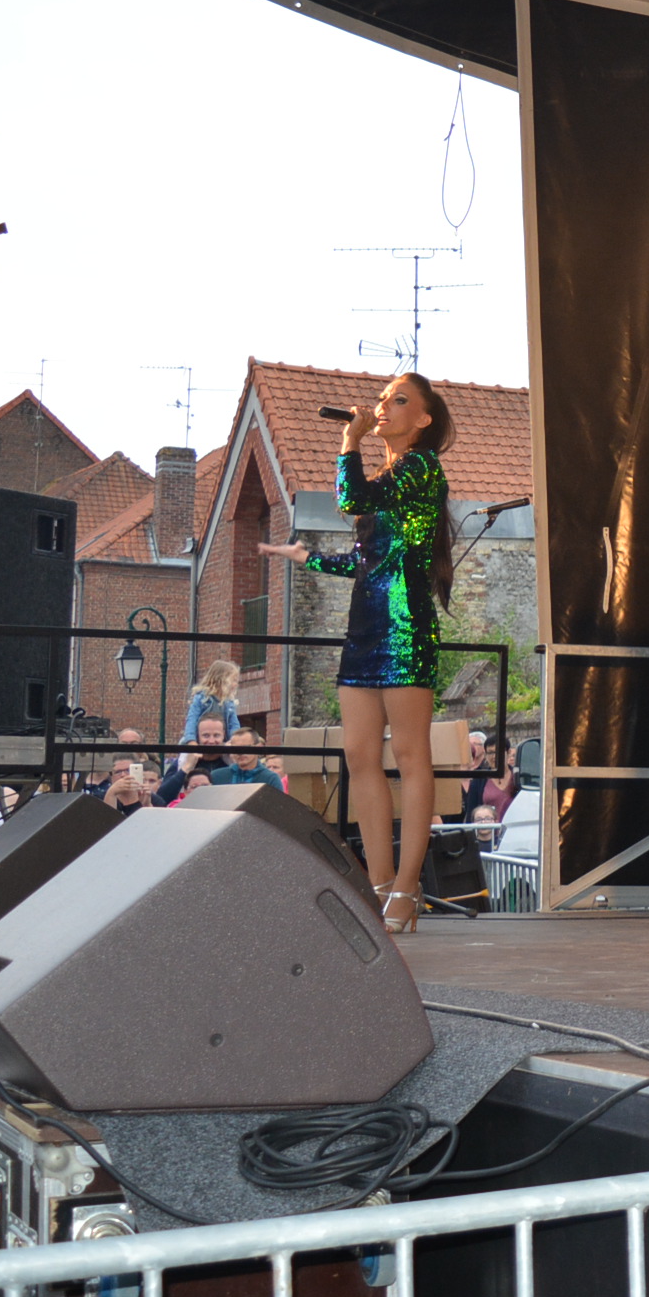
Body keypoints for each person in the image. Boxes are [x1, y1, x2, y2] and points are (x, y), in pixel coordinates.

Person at [259, 371, 454, 933]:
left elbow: (350, 497)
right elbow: (366, 563)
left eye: (399, 400)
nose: (383, 407)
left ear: (423, 419)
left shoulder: (422, 467)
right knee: (360, 757)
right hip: (364, 630)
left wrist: (350, 440)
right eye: (382, 398)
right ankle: (380, 885)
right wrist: (307, 558)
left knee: (411, 756)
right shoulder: (391, 478)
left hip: (405, 626)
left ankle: (408, 889)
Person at [156, 715, 234, 806]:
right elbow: (162, 798)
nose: (211, 741)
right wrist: (186, 768)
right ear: (197, 736)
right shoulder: (183, 762)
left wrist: (235, 761)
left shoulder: (230, 763)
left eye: (216, 735)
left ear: (224, 735)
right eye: (206, 736)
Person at [179, 661, 242, 763]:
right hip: (199, 741)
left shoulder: (229, 703)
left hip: (220, 743)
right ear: (222, 679)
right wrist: (191, 741)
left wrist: (235, 740)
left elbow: (234, 724)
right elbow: (191, 720)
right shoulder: (202, 699)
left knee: (233, 761)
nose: (236, 684)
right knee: (185, 759)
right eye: (234, 680)